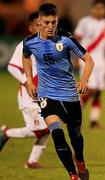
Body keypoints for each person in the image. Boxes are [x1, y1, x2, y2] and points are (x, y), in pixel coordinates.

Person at [22, 3, 94, 180]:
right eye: (46, 22)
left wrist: (84, 80)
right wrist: (30, 82)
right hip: (47, 96)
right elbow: (26, 59)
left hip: (70, 96)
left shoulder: (65, 39)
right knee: (57, 133)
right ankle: (72, 175)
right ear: (39, 21)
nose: (50, 26)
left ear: (57, 20)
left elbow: (88, 59)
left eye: (53, 22)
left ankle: (80, 161)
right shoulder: (30, 42)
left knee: (76, 135)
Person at [0, 12, 50, 169]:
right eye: (37, 24)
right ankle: (7, 133)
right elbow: (12, 67)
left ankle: (32, 161)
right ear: (30, 28)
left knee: (49, 128)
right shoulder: (24, 45)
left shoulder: (49, 44)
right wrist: (27, 83)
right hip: (29, 96)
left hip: (45, 95)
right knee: (41, 129)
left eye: (43, 23)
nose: (41, 27)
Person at [74, 0, 105, 129]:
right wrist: (75, 58)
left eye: (102, 8)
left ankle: (94, 121)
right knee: (88, 90)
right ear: (92, 9)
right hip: (87, 60)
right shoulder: (84, 22)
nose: (100, 11)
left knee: (98, 91)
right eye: (98, 8)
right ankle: (74, 114)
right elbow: (76, 40)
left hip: (101, 61)